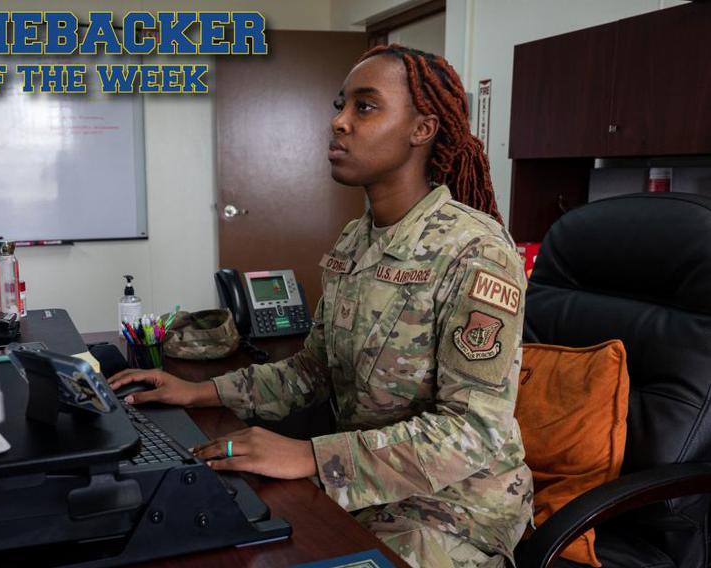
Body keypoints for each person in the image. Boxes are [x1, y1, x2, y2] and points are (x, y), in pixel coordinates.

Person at [108, 44, 532, 568]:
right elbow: (314, 370)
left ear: (422, 129)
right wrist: (199, 392)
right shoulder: (356, 240)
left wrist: (311, 455)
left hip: (453, 508)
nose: (339, 122)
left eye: (366, 107)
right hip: (361, 483)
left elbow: (474, 432)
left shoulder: (476, 252)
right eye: (341, 105)